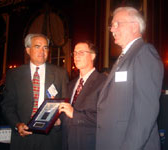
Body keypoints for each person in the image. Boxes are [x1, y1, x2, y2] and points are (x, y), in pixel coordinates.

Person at [96, 6, 164, 150]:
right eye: (111, 26)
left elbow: (145, 112)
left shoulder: (144, 53)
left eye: (116, 24)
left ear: (134, 27)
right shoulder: (126, 57)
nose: (112, 30)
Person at [1, 33, 68, 150]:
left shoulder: (60, 74)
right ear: (28, 50)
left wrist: (59, 120)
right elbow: (8, 106)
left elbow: (66, 102)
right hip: (23, 136)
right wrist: (17, 125)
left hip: (51, 136)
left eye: (45, 47)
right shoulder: (14, 74)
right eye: (37, 46)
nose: (42, 51)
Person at [59, 41, 107, 150]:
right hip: (67, 143)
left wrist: (74, 114)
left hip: (88, 143)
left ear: (92, 56)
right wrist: (58, 120)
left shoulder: (103, 82)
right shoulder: (70, 84)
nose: (76, 56)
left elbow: (105, 118)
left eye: (81, 52)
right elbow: (67, 115)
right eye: (75, 53)